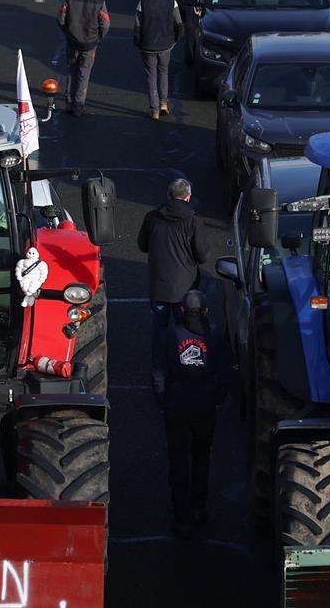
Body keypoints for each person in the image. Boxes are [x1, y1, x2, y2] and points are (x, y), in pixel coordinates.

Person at [151, 286, 230, 538]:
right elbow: (225, 373)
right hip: (205, 407)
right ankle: (199, 508)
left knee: (178, 463)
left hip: (176, 407)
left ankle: (181, 516)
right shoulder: (215, 337)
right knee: (201, 459)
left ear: (182, 310)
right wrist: (217, 399)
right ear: (205, 311)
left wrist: (163, 402)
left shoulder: (169, 335)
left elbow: (158, 374)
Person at [137, 177, 207, 327]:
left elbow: (142, 246)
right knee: (184, 329)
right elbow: (202, 255)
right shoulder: (194, 221)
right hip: (185, 286)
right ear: (188, 197)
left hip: (159, 286)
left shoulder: (152, 218)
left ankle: (161, 351)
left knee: (160, 328)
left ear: (168, 195)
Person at [57, 0, 108, 114]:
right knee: (83, 73)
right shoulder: (99, 0)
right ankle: (78, 106)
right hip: (90, 43)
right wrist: (98, 37)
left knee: (72, 71)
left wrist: (68, 32)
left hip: (72, 41)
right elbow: (105, 23)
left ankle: (69, 102)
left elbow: (61, 18)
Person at [134, 0, 183, 119]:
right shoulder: (171, 1)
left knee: (151, 75)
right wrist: (175, 39)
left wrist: (137, 41)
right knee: (163, 72)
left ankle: (154, 109)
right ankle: (163, 103)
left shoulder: (143, 1)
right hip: (166, 44)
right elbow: (179, 23)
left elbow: (137, 25)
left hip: (147, 45)